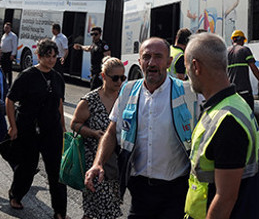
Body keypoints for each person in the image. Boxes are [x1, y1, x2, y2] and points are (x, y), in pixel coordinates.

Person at [85, 37, 200, 219]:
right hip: (139, 191)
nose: (152, 62)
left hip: (176, 191)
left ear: (169, 62)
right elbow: (112, 132)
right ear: (139, 62)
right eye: (146, 57)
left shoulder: (189, 92)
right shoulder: (128, 90)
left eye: (158, 57)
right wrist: (98, 164)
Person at [183, 32, 259, 219]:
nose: (187, 75)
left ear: (195, 66)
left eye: (186, 67)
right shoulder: (233, 103)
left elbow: (225, 198)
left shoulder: (226, 119)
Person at [6, 39, 67, 218]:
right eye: (47, 56)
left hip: (52, 130)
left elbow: (60, 104)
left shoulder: (58, 78)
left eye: (54, 56)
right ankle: (15, 194)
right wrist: (13, 126)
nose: (51, 60)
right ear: (39, 56)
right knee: (28, 165)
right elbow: (10, 100)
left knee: (56, 171)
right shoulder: (27, 76)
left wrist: (63, 127)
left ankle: (60, 211)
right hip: (28, 128)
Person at [70, 56, 125, 219]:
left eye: (123, 77)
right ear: (103, 76)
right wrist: (94, 133)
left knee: (106, 207)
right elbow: (75, 124)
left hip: (117, 163)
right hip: (95, 162)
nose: (119, 82)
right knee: (100, 209)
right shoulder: (90, 100)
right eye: (115, 78)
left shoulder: (124, 99)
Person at [227, 30, 259, 111]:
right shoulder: (244, 50)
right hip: (244, 90)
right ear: (241, 40)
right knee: (248, 113)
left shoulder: (226, 52)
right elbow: (253, 67)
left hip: (231, 91)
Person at [0, 22, 18, 86]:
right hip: (3, 54)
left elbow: (14, 46)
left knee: (9, 70)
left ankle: (10, 83)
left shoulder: (13, 36)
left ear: (10, 28)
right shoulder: (4, 35)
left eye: (7, 28)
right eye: (5, 28)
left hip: (9, 54)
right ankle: (4, 82)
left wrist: (13, 54)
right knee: (3, 69)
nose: (6, 29)